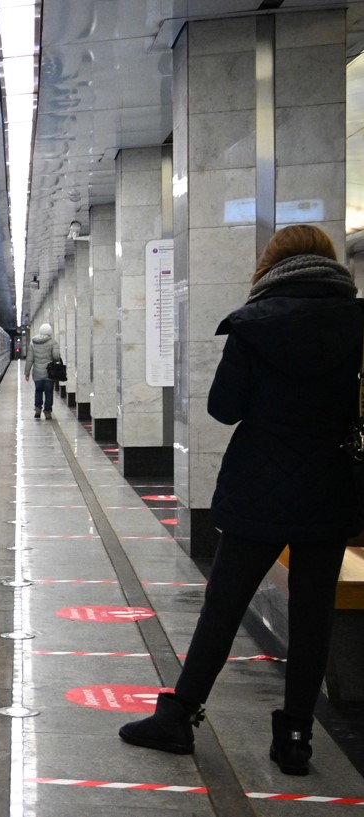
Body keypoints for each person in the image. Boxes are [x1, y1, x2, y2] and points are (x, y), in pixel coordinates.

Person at [119, 224, 363, 776]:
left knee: (224, 606)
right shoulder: (358, 322)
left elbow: (224, 408)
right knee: (312, 616)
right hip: (330, 488)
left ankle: (179, 716)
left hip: (260, 489)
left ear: (271, 265)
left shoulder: (254, 325)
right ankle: (297, 738)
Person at [24, 323, 60, 419]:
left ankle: (37, 410)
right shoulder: (53, 342)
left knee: (38, 390)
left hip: (37, 373)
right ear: (50, 332)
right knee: (49, 392)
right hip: (49, 373)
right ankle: (47, 412)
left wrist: (26, 373)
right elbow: (56, 357)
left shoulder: (33, 343)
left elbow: (29, 359)